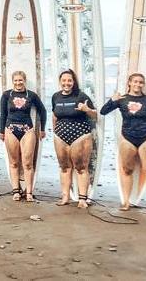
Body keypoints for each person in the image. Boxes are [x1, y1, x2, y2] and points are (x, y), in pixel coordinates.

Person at [100, 72, 146, 213]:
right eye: (135, 81)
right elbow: (103, 112)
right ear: (129, 83)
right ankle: (126, 202)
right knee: (127, 170)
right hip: (127, 138)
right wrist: (112, 100)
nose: (138, 84)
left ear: (143, 84)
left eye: (141, 82)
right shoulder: (121, 99)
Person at [51, 69, 97, 208]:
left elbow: (95, 115)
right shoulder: (55, 97)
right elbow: (54, 115)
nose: (67, 83)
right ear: (60, 82)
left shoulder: (81, 96)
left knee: (81, 167)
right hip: (60, 136)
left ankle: (83, 199)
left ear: (73, 82)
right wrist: (55, 131)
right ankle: (65, 197)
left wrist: (86, 110)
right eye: (64, 80)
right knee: (64, 167)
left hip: (80, 135)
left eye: (69, 80)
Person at [0, 70, 47, 202]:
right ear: (12, 81)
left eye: (20, 80)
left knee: (27, 163)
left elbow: (43, 111)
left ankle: (29, 192)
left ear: (24, 81)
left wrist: (42, 129)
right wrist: (1, 131)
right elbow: (3, 113)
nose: (18, 82)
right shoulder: (6, 95)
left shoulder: (31, 95)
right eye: (16, 80)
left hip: (27, 130)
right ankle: (16, 191)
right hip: (10, 129)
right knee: (14, 162)